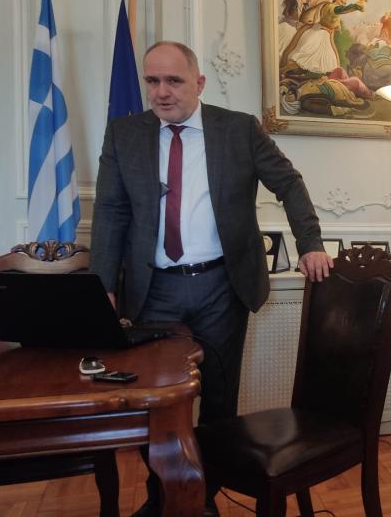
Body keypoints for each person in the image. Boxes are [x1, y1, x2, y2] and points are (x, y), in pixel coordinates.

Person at [90, 40, 333, 516]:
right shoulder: (124, 134)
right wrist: (104, 286)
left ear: (198, 83)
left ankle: (202, 501)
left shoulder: (238, 129)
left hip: (221, 288)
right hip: (152, 291)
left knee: (219, 402)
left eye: (174, 80)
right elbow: (111, 212)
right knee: (154, 405)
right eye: (152, 81)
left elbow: (288, 182)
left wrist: (311, 243)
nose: (161, 92)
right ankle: (163, 499)